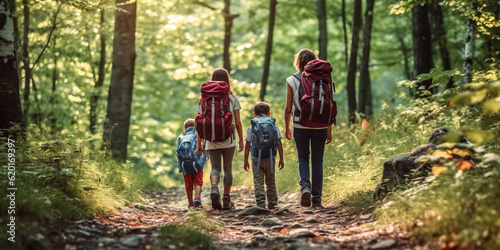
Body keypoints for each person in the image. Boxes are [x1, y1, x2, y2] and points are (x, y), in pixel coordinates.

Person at [284, 49, 333, 208]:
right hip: (321, 125)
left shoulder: (292, 80)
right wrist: (329, 128)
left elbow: (288, 108)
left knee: (303, 158)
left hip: (300, 124)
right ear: (314, 60)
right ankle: (317, 198)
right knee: (317, 161)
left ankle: (305, 187)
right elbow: (329, 104)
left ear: (298, 62)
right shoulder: (324, 78)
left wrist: (287, 127)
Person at [196, 68, 244, 210]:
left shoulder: (204, 99)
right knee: (228, 167)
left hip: (210, 138)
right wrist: (241, 140)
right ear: (227, 80)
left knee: (215, 167)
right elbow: (239, 122)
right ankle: (227, 200)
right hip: (229, 138)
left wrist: (200, 143)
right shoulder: (232, 98)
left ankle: (214, 188)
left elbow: (199, 121)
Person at [244, 102, 284, 209]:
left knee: (258, 181)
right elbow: (279, 143)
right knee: (271, 181)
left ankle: (261, 203)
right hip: (271, 158)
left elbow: (247, 145)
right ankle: (272, 203)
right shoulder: (273, 126)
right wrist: (281, 159)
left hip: (256, 158)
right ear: (268, 113)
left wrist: (245, 161)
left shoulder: (252, 126)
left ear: (254, 114)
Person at [176, 119, 206, 208]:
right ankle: (197, 197)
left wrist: (180, 167)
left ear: (184, 129)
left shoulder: (180, 137)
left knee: (188, 185)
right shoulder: (198, 135)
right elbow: (202, 148)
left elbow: (178, 153)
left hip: (185, 165)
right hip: (197, 163)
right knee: (198, 181)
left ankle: (190, 203)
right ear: (195, 127)